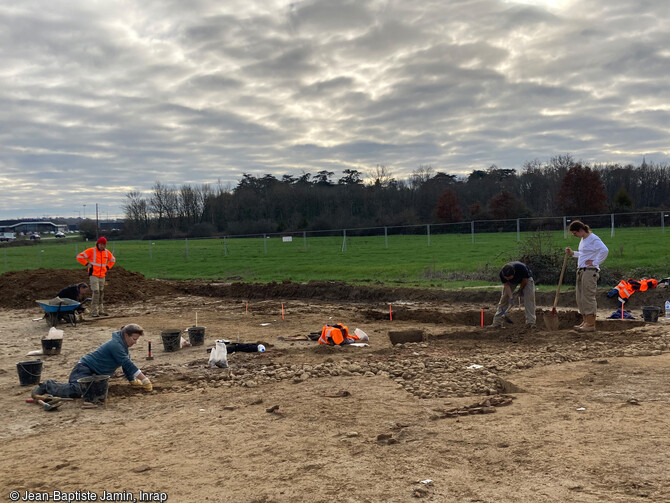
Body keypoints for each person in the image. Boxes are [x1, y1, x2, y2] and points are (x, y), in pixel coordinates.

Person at [31, 324, 153, 399]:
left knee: (94, 392)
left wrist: (132, 380)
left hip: (95, 374)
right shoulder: (115, 345)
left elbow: (126, 364)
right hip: (84, 369)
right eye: (134, 339)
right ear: (126, 335)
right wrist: (144, 379)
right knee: (78, 391)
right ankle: (48, 385)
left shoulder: (123, 346)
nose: (135, 342)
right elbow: (127, 363)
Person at [565, 220, 609, 332]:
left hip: (589, 271)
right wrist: (573, 253)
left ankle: (590, 324)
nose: (574, 236)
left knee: (588, 297)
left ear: (580, 230)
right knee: (580, 297)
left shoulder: (593, 238)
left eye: (575, 233)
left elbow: (604, 250)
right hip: (581, 270)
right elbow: (584, 254)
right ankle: (585, 321)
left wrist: (595, 262)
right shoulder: (583, 240)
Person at [489, 261, 536, 329]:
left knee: (529, 299)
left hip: (526, 279)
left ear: (514, 273)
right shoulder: (502, 274)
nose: (507, 278)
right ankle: (497, 323)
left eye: (509, 277)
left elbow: (524, 280)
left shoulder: (522, 268)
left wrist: (520, 290)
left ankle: (530, 323)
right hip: (511, 282)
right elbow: (506, 285)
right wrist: (511, 298)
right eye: (506, 277)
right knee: (504, 299)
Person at [76, 236, 115, 317]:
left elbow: (113, 260)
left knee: (101, 292)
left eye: (103, 245)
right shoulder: (91, 251)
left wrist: (107, 267)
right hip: (93, 274)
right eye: (101, 244)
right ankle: (94, 311)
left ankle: (101, 310)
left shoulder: (107, 252)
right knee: (96, 292)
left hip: (102, 275)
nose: (102, 246)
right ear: (98, 244)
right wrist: (87, 264)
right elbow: (79, 256)